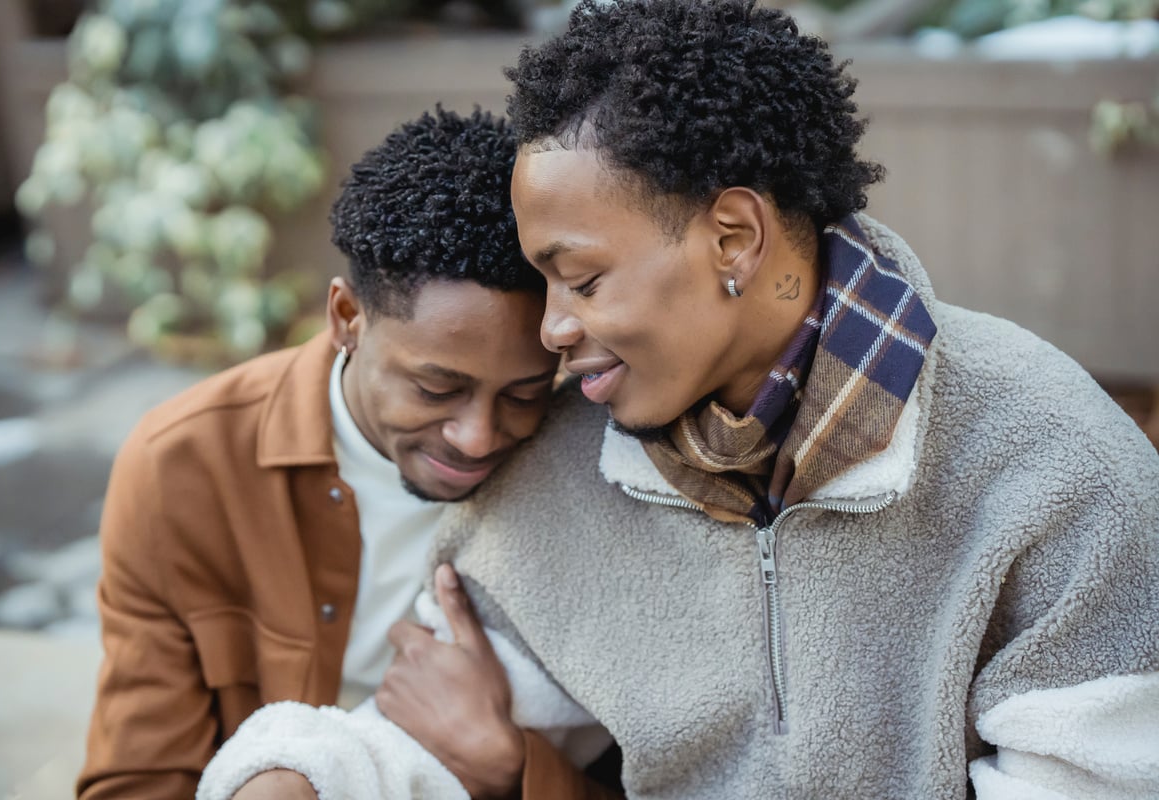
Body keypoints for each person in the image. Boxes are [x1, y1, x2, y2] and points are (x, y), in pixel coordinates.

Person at [178, 2, 1159, 798]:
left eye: (584, 278)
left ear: (733, 237)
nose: (552, 329)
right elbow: (425, 736)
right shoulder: (560, 462)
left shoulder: (1053, 460)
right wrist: (293, 777)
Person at [76, 106, 614, 799]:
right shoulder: (181, 466)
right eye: (435, 388)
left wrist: (509, 766)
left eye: (522, 394)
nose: (478, 437)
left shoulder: (593, 468)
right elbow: (137, 779)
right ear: (345, 319)